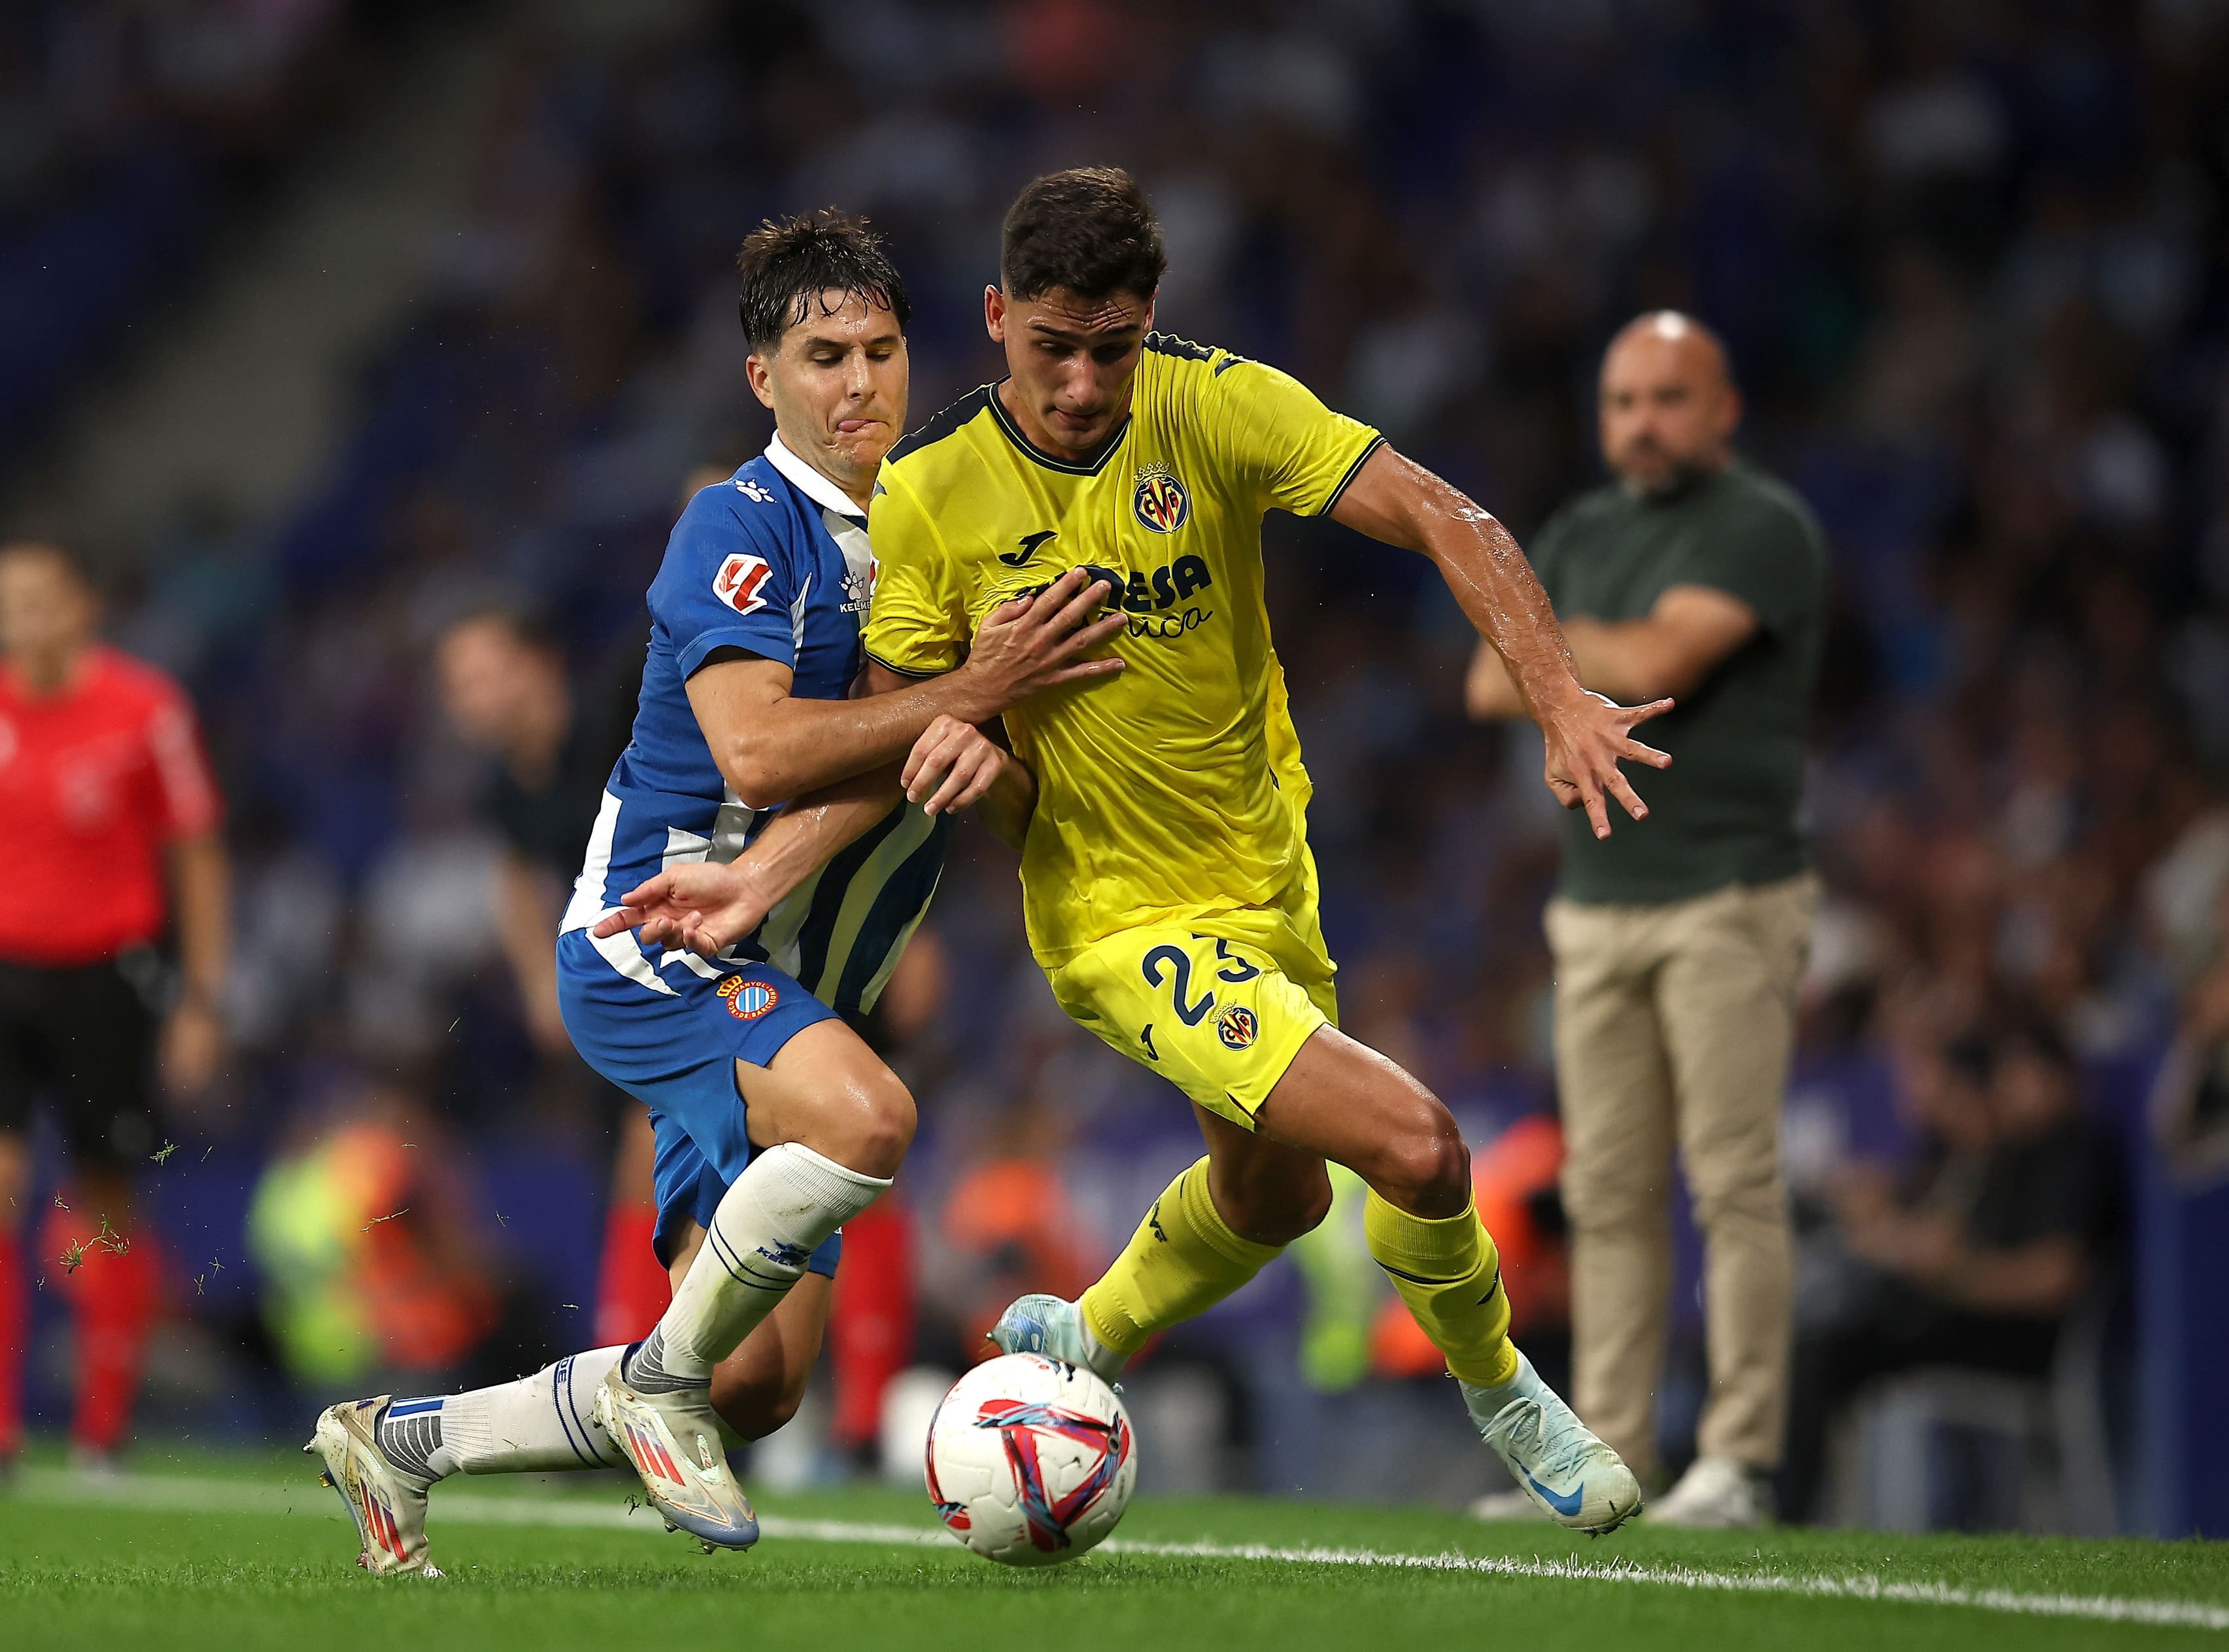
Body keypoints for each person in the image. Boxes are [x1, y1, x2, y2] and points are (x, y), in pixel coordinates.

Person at [605, 167, 1668, 1533]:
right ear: (998, 319)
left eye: (1112, 350)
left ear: (1151, 320)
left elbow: (1439, 513)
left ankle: (1089, 1333)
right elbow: (897, 728)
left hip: (1267, 874)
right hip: (1116, 915)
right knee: (1419, 1148)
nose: (1083, 384)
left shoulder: (1217, 405)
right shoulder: (932, 491)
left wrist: (1560, 695)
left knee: (1272, 1198)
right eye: (1053, 346)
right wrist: (792, 855)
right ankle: (1508, 1394)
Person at [305, 209, 1123, 1572]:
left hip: (794, 970)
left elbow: (952, 759)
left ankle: (400, 1442)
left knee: (755, 1384)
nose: (858, 383)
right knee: (872, 1119)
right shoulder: (734, 524)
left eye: (879, 351)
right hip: (662, 937)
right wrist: (975, 691)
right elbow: (756, 751)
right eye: (822, 358)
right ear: (764, 379)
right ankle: (652, 1388)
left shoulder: (940, 526)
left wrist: (986, 735)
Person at [1465, 311, 1828, 1528]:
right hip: (1596, 905)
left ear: (1724, 409)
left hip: (1730, 893)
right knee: (1607, 1192)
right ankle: (1609, 1453)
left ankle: (1739, 1458)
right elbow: (1482, 678)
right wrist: (1568, 658)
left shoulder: (1762, 526)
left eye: (1671, 398)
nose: (1644, 423)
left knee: (1733, 1181)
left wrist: (1550, 650)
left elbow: (1674, 653)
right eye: (1624, 401)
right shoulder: (1580, 530)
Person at [0, 539, 229, 1484]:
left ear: (83, 605)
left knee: (105, 1198)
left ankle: (101, 1435)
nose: (21, 618)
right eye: (3, 602)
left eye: (40, 597)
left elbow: (198, 851)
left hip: (107, 975)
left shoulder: (146, 708)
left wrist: (202, 996)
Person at [432, 605, 676, 1347]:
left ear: (538, 663)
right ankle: (641, 1359)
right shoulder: (505, 787)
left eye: (482, 675)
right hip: (615, 987)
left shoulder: (619, 724)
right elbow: (515, 874)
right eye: (456, 686)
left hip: (690, 958)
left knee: (647, 1158)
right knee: (631, 1173)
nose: (467, 700)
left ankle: (635, 1359)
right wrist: (541, 983)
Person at [1780, 1015, 2115, 1522]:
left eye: (2021, 1071)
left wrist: (1954, 1275)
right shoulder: (2008, 1154)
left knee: (1825, 1345)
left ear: (2059, 1075)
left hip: (2014, 1338)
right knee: (1819, 1330)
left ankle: (1785, 1514)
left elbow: (2056, 1278)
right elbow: (1947, 1229)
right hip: (1963, 1316)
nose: (2008, 1087)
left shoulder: (2075, 1150)